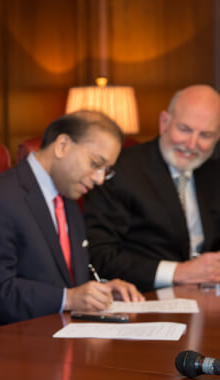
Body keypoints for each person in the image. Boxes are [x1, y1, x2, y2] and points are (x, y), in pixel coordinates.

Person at [0, 110, 143, 337]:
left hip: (52, 339)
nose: (99, 179)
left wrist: (101, 290)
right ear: (62, 145)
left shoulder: (69, 197)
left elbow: (59, 278)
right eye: (95, 164)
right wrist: (69, 298)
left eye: (105, 171)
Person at [83, 85, 220, 292]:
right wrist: (178, 272)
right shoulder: (119, 171)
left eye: (205, 135)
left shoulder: (214, 171)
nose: (192, 144)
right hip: (146, 296)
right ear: (164, 122)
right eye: (184, 130)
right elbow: (99, 255)